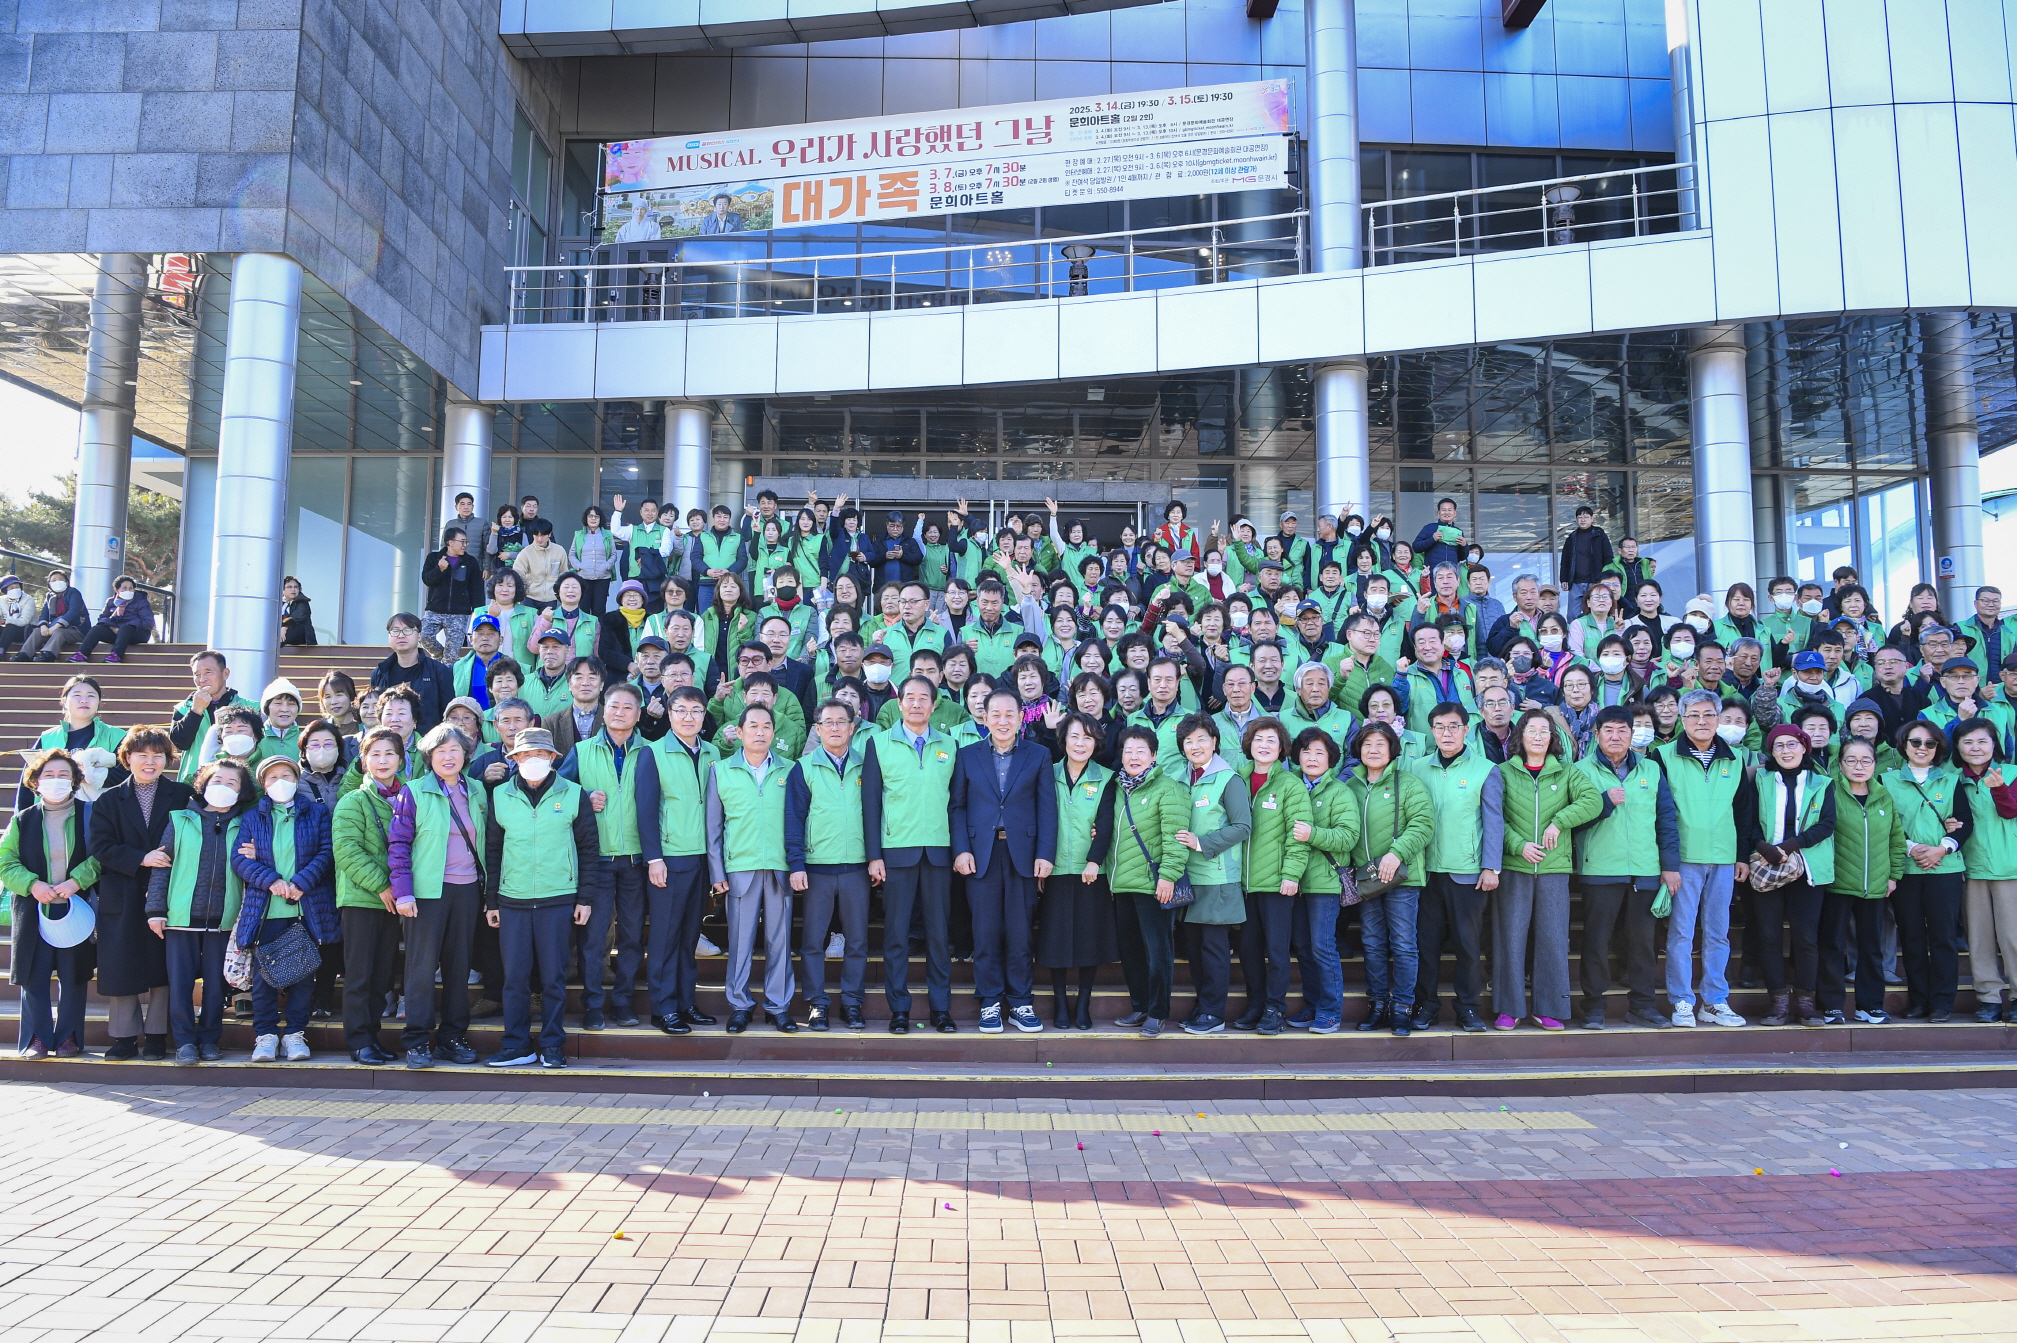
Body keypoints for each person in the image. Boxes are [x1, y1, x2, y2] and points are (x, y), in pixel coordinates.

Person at [481, 727, 599, 1068]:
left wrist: (585, 898)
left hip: (557, 899)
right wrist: (492, 901)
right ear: (515, 759)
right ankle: (517, 1045)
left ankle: (552, 1045)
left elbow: (589, 849)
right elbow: (493, 850)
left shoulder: (573, 794)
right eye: (525, 755)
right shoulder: (501, 795)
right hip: (512, 900)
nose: (533, 760)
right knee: (514, 980)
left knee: (553, 979)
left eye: (540, 754)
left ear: (552, 758)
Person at [950, 687, 1059, 1033]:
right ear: (984, 718)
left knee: (1019, 933)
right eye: (994, 714)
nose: (1002, 720)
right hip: (980, 854)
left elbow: (1047, 808)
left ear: (1021, 717)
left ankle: (1021, 1002)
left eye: (1009, 714)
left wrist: (1045, 854)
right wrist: (961, 849)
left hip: (1022, 855)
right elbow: (957, 807)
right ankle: (990, 1002)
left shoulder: (1038, 755)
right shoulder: (966, 755)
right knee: (984, 933)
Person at [384, 723, 489, 1068]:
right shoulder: (413, 791)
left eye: (455, 749)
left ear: (465, 754)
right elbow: (399, 845)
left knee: (459, 968)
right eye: (440, 750)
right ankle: (416, 1040)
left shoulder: (476, 790)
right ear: (429, 757)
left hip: (468, 890)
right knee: (421, 967)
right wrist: (403, 893)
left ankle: (452, 1037)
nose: (448, 756)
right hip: (427, 893)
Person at [1571, 705, 1681, 1030]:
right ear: (1596, 735)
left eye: (1623, 730)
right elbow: (1570, 822)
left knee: (1644, 944)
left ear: (1632, 734)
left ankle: (1643, 1006)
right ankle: (1593, 1008)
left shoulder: (1651, 769)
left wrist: (1669, 866)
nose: (1616, 736)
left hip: (1645, 870)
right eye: (1609, 730)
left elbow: (1666, 820)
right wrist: (1604, 803)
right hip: (1599, 870)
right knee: (1596, 942)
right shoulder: (1580, 771)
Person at [861, 675, 960, 1033]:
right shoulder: (879, 743)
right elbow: (870, 803)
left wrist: (958, 849)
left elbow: (956, 804)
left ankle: (941, 1009)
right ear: (899, 703)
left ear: (934, 705)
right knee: (896, 935)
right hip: (896, 851)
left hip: (938, 851)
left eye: (924, 698)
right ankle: (899, 1009)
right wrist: (874, 855)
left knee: (938, 935)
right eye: (910, 698)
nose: (916, 704)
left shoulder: (949, 745)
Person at [1657, 688, 1758, 1028]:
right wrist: (1668, 863)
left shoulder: (1735, 758)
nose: (1702, 721)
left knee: (1718, 933)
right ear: (1682, 719)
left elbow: (1743, 811)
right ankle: (1682, 1001)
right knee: (1681, 934)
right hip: (1684, 859)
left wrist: (1741, 856)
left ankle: (1714, 1001)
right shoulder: (1663, 756)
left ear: (1717, 718)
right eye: (1694, 715)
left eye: (1708, 715)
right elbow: (1661, 813)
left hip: (1724, 859)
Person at [558, 682, 656, 1031]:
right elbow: (558, 793)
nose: (620, 712)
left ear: (638, 714)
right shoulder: (582, 751)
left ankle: (624, 1002)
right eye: (614, 706)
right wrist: (584, 798)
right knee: (593, 937)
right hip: (596, 859)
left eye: (628, 707)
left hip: (636, 859)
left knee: (631, 936)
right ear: (603, 709)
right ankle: (593, 1005)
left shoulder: (650, 752)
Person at [145, 758, 255, 1064]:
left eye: (232, 782)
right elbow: (162, 866)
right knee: (180, 986)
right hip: (181, 919)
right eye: (217, 780)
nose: (223, 786)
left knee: (215, 987)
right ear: (204, 785)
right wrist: (155, 909)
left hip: (224, 921)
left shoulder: (245, 824)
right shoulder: (180, 820)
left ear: (242, 791)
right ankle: (184, 1042)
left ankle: (209, 1039)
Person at [231, 753, 339, 1063]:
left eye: (287, 776)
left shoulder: (317, 813)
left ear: (297, 779)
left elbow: (326, 852)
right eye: (273, 777)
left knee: (303, 977)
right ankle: (265, 1036)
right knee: (264, 978)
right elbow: (239, 859)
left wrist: (303, 881)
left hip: (305, 909)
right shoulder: (252, 817)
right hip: (267, 911)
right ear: (264, 784)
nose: (281, 782)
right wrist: (272, 881)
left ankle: (294, 1034)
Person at [1405, 702, 1504, 1033]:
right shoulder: (1417, 768)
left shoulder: (1485, 769)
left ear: (1466, 729)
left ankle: (1468, 1008)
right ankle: (1426, 1005)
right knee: (1426, 945)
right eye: (1439, 727)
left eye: (1453, 726)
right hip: (1424, 872)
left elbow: (1494, 822)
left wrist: (1491, 867)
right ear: (1432, 731)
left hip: (1468, 872)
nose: (1446, 733)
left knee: (1467, 946)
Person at [86, 726, 184, 1060]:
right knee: (122, 966)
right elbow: (100, 846)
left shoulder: (181, 795)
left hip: (167, 891)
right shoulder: (108, 799)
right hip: (123, 891)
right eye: (142, 754)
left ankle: (157, 1035)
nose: (150, 761)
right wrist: (141, 858)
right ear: (127, 758)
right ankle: (124, 1037)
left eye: (158, 755)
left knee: (162, 967)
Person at [704, 703, 797, 1033]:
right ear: (739, 732)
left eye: (766, 726)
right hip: (739, 867)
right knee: (740, 942)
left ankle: (778, 1006)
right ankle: (740, 1004)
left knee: (779, 942)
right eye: (753, 726)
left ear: (774, 732)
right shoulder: (721, 770)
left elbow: (800, 821)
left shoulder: (790, 770)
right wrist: (717, 872)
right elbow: (713, 827)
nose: (760, 732)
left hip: (780, 867)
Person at [2, 750, 100, 1057]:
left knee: (74, 974)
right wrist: (33, 884)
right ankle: (37, 1039)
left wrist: (77, 881)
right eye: (49, 775)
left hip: (75, 904)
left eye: (63, 775)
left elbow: (102, 854)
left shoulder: (90, 814)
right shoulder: (22, 820)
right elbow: (6, 862)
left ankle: (69, 1036)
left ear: (74, 780)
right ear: (35, 781)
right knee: (34, 974)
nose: (56, 781)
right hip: (33, 906)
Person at [1740, 725, 1839, 1028]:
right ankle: (1778, 1002)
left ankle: (1806, 1003)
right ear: (1771, 751)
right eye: (1779, 745)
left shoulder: (1822, 782)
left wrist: (1788, 847)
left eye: (1792, 744)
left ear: (1804, 747)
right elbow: (1748, 820)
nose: (1786, 750)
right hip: (1766, 864)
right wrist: (1764, 848)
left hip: (1807, 867)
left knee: (1806, 937)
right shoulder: (1760, 780)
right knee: (1768, 936)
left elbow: (1827, 824)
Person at [785, 698, 871, 1032]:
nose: (835, 728)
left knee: (857, 941)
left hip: (857, 866)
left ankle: (852, 1003)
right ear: (817, 730)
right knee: (813, 941)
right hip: (817, 866)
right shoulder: (803, 768)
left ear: (853, 727)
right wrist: (796, 863)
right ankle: (817, 1004)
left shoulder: (867, 765)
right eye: (828, 723)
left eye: (841, 722)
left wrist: (875, 858)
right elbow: (794, 819)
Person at [1344, 721, 1433, 1035]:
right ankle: (1378, 1005)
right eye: (1367, 744)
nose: (1373, 750)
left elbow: (1423, 823)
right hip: (1367, 879)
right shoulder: (1351, 786)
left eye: (1380, 744)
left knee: (1404, 945)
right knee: (1372, 944)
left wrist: (1396, 854)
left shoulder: (1408, 783)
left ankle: (1402, 1008)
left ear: (1392, 749)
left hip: (1401, 879)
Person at [1226, 717, 1310, 1036]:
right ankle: (1256, 1004)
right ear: (1249, 744)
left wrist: (1292, 875)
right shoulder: (1237, 779)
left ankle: (1275, 1008)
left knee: (1276, 951)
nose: (1263, 745)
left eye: (1271, 740)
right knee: (1248, 950)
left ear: (1281, 748)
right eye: (1258, 739)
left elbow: (1297, 835)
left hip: (1277, 883)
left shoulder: (1290, 784)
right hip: (1243, 884)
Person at [641, 686, 718, 1034]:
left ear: (704, 715)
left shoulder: (712, 752)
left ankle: (686, 1003)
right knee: (665, 936)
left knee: (690, 936)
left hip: (702, 858)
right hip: (670, 859)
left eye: (696, 710)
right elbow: (645, 810)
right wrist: (654, 858)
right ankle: (664, 1008)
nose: (689, 717)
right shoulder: (653, 753)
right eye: (681, 710)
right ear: (669, 715)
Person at [330, 726, 408, 1064]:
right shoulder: (353, 800)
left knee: (382, 975)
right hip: (361, 899)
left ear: (401, 759)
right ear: (363, 761)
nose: (382, 760)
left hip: (394, 901)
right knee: (359, 974)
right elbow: (347, 851)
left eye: (389, 753)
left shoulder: (408, 797)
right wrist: (382, 886)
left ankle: (372, 1036)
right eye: (375, 754)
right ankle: (358, 1041)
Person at [1105, 724, 1188, 1037]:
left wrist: (1168, 877)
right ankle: (1139, 1006)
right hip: (1122, 883)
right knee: (1132, 952)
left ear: (1154, 755)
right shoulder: (1117, 788)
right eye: (1128, 750)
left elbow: (1175, 839)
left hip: (1154, 885)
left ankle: (1157, 1012)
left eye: (1141, 750)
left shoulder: (1168, 788)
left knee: (1158, 952)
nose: (1134, 756)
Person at [1038, 712, 1119, 1030]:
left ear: (1096, 742)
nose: (1080, 743)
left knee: (1088, 939)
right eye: (1074, 736)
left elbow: (1106, 822)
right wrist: (1042, 861)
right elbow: (1040, 818)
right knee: (1055, 940)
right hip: (1054, 868)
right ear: (1063, 740)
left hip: (1091, 871)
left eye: (1087, 737)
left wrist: (1094, 860)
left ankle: (1083, 1004)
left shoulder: (1106, 778)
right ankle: (1060, 1003)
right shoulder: (1047, 773)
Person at [1827, 737, 1907, 1024]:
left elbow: (1896, 839)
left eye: (1866, 760)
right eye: (1851, 760)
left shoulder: (1883, 795)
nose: (1858, 766)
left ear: (1874, 764)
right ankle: (1831, 1006)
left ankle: (1870, 1005)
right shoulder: (1830, 792)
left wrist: (1893, 875)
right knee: (1832, 945)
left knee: (1871, 948)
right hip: (1836, 883)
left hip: (1874, 884)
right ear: (1840, 764)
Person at [1953, 718, 2017, 1022]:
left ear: (1995, 744)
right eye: (1967, 742)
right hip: (1971, 868)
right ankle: (1988, 998)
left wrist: (2000, 789)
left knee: (2013, 938)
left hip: (2010, 868)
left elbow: (2011, 810)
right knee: (1979, 940)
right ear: (1957, 747)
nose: (1975, 748)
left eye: (1982, 741)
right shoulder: (1952, 780)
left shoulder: (2012, 774)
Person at [170, 650, 258, 783]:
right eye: (197, 674)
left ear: (225, 673)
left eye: (208, 672)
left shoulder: (251, 707)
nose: (202, 680)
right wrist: (195, 711)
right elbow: (180, 743)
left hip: (238, 782)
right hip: (193, 781)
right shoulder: (183, 708)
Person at [370, 612, 456, 733]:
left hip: (429, 741)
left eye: (407, 630)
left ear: (419, 636)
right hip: (389, 739)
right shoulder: (380, 672)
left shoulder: (438, 671)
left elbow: (448, 713)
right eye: (395, 631)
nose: (401, 635)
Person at [72, 574, 154, 663]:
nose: (128, 590)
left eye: (130, 588)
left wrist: (127, 626)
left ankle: (116, 656)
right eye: (124, 588)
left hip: (138, 633)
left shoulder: (141, 602)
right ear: (117, 590)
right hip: (117, 634)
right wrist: (112, 627)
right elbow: (102, 619)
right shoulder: (111, 602)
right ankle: (82, 654)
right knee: (97, 629)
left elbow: (148, 622)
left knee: (126, 628)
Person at [11, 567, 87, 661]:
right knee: (37, 631)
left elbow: (73, 611)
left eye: (61, 579)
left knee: (59, 632)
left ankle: (48, 654)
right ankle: (24, 654)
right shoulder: (49, 596)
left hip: (77, 629)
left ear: (67, 582)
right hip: (54, 628)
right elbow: (44, 614)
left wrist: (55, 627)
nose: (57, 582)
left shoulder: (73, 592)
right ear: (49, 584)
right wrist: (43, 626)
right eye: (54, 580)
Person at [569, 505, 621, 614]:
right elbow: (572, 554)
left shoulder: (607, 535)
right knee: (583, 608)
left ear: (600, 519)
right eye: (591, 516)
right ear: (586, 518)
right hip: (583, 577)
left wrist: (607, 566)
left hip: (603, 577)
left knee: (599, 609)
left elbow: (613, 554)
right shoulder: (579, 535)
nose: (593, 519)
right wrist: (579, 566)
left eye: (596, 516)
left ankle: (599, 626)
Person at [513, 518, 569, 610]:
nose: (539, 539)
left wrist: (561, 593)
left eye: (543, 535)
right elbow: (517, 575)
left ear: (549, 534)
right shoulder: (526, 553)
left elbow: (564, 574)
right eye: (536, 535)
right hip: (529, 598)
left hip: (551, 598)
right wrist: (524, 591)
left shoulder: (559, 551)